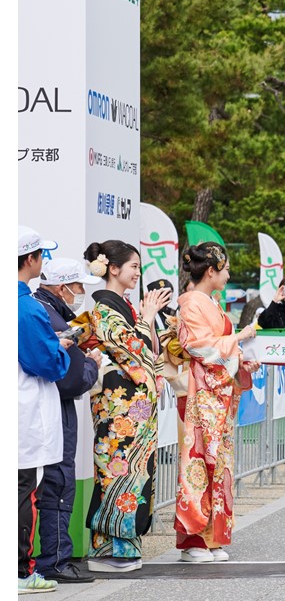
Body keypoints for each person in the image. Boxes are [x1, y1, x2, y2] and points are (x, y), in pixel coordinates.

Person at [82, 239, 171, 573]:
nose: (137, 273)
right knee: (117, 471)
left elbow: (153, 351)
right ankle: (109, 549)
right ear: (113, 269)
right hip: (119, 405)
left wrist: (148, 319)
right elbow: (135, 351)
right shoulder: (104, 309)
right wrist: (146, 318)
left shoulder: (124, 306)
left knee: (135, 472)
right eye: (133, 266)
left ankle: (124, 546)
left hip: (133, 406)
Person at [173, 243, 259, 563]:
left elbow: (219, 350)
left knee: (218, 465)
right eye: (224, 270)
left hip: (217, 392)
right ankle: (192, 540)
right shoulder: (192, 304)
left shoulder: (210, 302)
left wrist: (242, 360)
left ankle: (211, 537)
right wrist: (239, 339)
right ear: (210, 271)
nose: (227, 275)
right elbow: (199, 347)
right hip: (200, 392)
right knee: (198, 462)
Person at [32, 258, 104, 584]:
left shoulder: (42, 309)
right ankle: (55, 560)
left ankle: (48, 559)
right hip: (53, 408)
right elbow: (72, 377)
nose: (81, 293)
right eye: (79, 287)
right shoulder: (50, 317)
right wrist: (91, 364)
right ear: (62, 287)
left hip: (41, 407)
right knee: (59, 482)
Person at [18, 226, 70, 595]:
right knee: (22, 490)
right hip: (24, 413)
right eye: (41, 255)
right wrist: (63, 348)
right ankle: (19, 571)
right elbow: (48, 364)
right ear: (31, 259)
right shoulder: (25, 307)